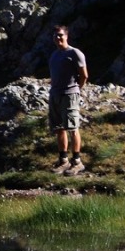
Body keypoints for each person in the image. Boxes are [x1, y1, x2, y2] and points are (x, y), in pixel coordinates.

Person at [48, 25, 89, 175]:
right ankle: (63, 160)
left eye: (60, 35)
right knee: (59, 128)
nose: (58, 38)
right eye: (55, 36)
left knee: (73, 128)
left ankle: (77, 162)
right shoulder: (54, 55)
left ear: (66, 36)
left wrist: (77, 88)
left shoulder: (75, 53)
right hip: (55, 95)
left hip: (69, 95)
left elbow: (84, 75)